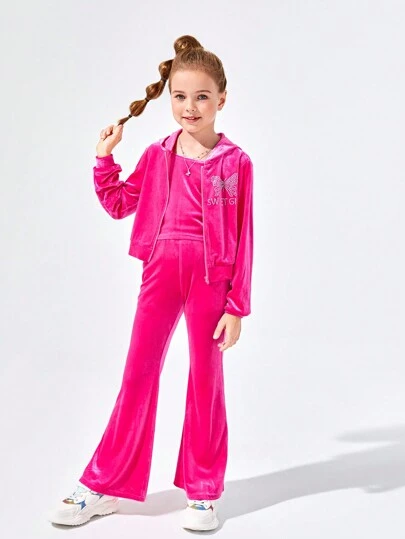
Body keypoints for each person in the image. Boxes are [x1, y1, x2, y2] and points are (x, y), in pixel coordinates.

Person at [47, 34, 254, 532]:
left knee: (206, 381)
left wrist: (237, 305)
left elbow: (245, 235)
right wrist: (104, 159)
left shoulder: (236, 163)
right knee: (138, 376)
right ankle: (103, 484)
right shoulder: (157, 155)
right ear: (169, 99)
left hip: (212, 280)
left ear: (222, 99)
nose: (190, 107)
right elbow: (120, 203)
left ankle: (203, 492)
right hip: (160, 272)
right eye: (180, 96)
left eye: (201, 96)